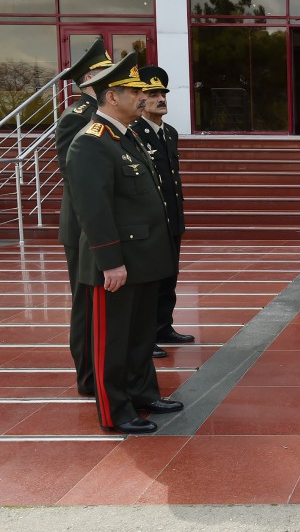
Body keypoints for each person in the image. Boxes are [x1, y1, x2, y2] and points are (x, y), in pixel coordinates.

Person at [64, 51, 182, 434]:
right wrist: (109, 261)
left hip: (144, 258)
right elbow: (92, 210)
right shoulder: (92, 141)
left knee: (140, 336)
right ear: (112, 96)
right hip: (117, 265)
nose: (142, 97)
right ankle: (116, 410)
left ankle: (142, 392)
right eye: (133, 91)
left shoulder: (125, 136)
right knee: (112, 341)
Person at [55, 37, 112, 397]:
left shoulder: (104, 115)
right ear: (92, 76)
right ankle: (88, 377)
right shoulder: (77, 118)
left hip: (96, 225)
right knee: (85, 303)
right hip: (81, 227)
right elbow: (77, 177)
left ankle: (104, 371)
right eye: (109, 71)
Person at [132, 66, 194, 358]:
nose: (161, 99)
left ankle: (163, 327)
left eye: (163, 94)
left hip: (170, 220)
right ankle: (146, 337)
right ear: (140, 100)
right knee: (150, 282)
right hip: (150, 223)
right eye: (153, 94)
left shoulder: (168, 133)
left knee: (169, 278)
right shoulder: (134, 133)